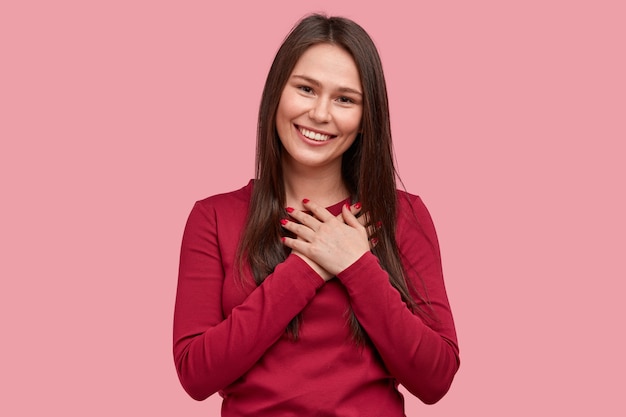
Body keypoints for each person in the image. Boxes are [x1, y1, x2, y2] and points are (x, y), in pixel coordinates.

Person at [173, 13, 459, 416]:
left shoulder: (403, 216)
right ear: (277, 94)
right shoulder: (214, 217)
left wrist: (357, 264)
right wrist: (307, 266)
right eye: (306, 89)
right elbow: (196, 374)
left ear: (365, 119)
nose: (321, 114)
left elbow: (436, 378)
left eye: (345, 99)